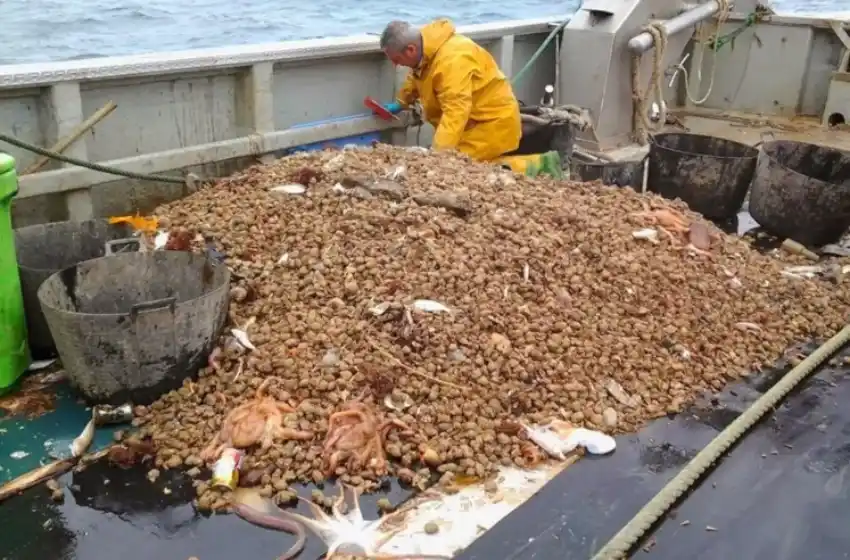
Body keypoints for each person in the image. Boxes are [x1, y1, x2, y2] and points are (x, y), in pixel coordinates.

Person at [378, 19, 562, 177]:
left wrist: (437, 156)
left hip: (492, 125)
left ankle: (543, 164)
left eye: (396, 59)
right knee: (451, 161)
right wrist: (401, 102)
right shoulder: (425, 50)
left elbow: (455, 112)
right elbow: (417, 75)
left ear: (410, 49)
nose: (395, 66)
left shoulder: (452, 61)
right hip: (470, 126)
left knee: (460, 166)